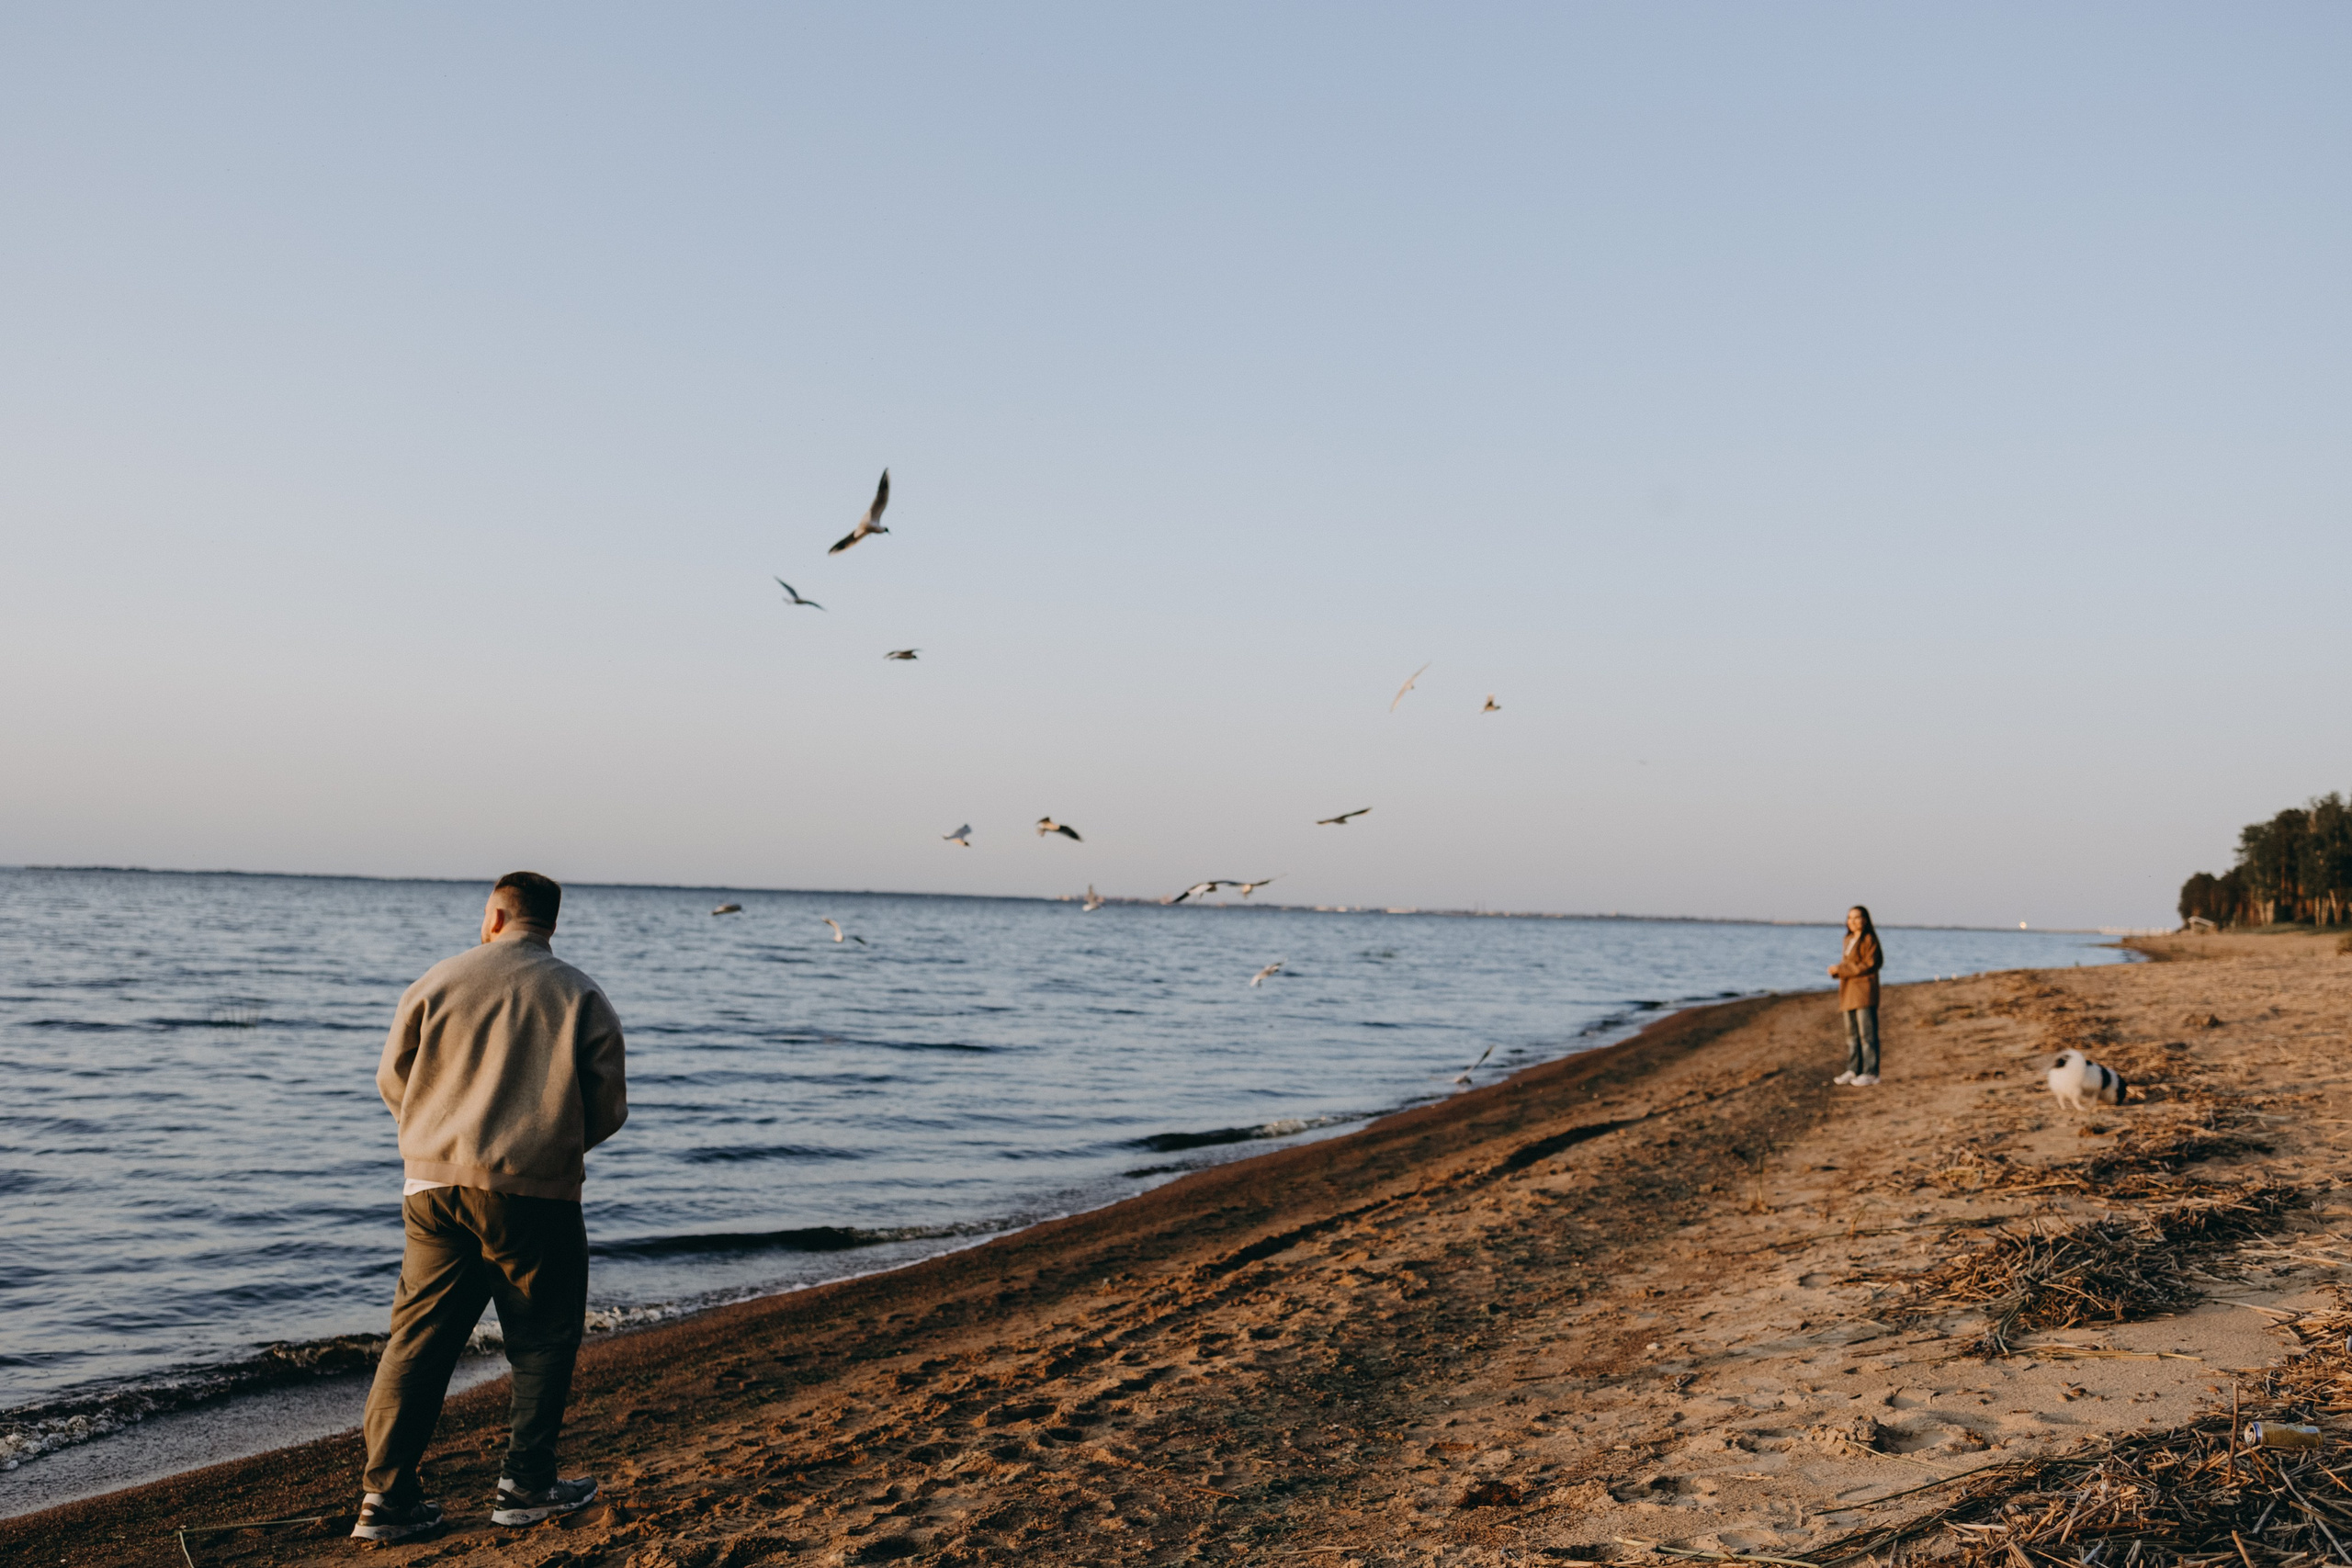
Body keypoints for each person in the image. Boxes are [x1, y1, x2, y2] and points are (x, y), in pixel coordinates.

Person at [352, 872, 628, 1542]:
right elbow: (609, 1106)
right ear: (550, 923)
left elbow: (392, 1076)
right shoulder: (580, 994)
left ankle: (386, 1499)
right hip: (535, 1195)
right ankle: (525, 1486)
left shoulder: (437, 981)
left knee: (417, 1343)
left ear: (495, 916)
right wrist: (549, 1149)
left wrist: (431, 1139)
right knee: (542, 1341)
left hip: (433, 1187)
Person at [1827, 905, 1883, 1088]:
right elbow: (1850, 964)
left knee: (1867, 1035)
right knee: (1851, 1035)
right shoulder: (1848, 939)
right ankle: (1853, 1069)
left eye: (1856, 917)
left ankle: (1871, 1072)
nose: (1852, 921)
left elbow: (1869, 964)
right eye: (1849, 918)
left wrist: (1841, 969)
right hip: (1848, 991)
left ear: (1865, 920)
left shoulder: (1869, 940)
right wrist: (1837, 971)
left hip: (1864, 991)